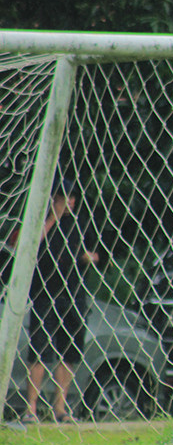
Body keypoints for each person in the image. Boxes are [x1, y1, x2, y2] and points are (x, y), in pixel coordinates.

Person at [21, 180, 99, 424]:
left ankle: (60, 409)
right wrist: (53, 217)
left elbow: (97, 253)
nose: (69, 202)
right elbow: (28, 246)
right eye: (63, 197)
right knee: (39, 351)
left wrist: (90, 258)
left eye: (72, 197)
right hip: (45, 295)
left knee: (69, 352)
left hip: (74, 295)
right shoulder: (40, 223)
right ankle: (30, 408)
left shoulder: (80, 224)